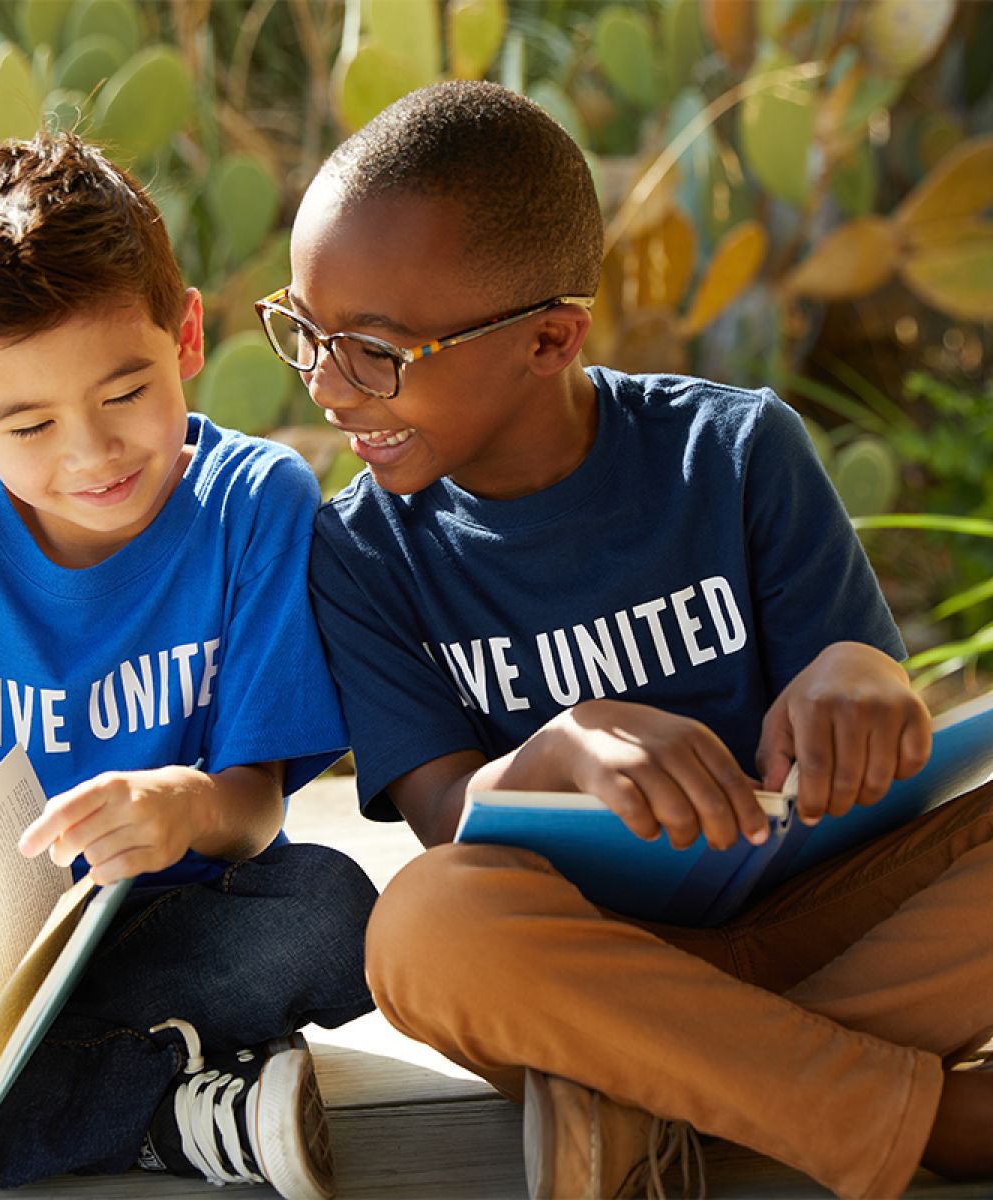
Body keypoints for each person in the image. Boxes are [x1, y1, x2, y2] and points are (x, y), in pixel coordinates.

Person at [252, 79, 993, 1199]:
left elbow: (855, 685)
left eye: (375, 351)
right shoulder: (360, 554)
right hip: (578, 966)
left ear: (549, 338)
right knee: (418, 929)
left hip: (818, 924)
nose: (327, 385)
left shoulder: (738, 452)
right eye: (306, 334)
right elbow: (447, 823)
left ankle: (661, 1104)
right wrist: (557, 747)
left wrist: (861, 675)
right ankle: (932, 1122)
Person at [0, 131, 377, 1200]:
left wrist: (179, 806)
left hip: (167, 923)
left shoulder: (254, 507)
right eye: (27, 422)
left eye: (123, 393)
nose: (92, 454)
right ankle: (169, 1115)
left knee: (335, 916)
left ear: (186, 334)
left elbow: (252, 812)